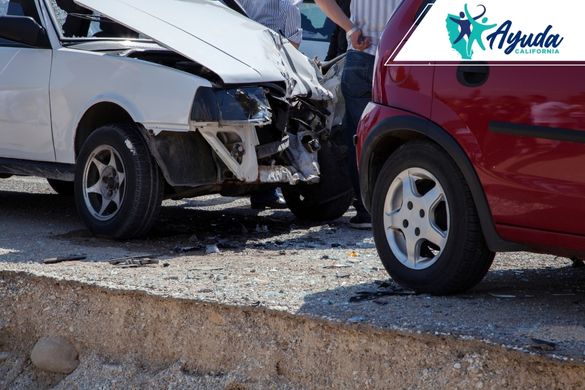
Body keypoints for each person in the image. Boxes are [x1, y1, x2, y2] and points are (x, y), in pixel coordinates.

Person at [314, 0, 402, 229]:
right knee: (404, 132)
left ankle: (366, 210)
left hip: (362, 54)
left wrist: (350, 29)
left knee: (359, 136)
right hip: (399, 58)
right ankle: (397, 204)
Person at [238, 0, 303, 209]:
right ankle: (265, 192)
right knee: (273, 133)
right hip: (271, 78)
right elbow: (293, 46)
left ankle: (255, 186)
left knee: (250, 131)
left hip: (238, 73)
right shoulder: (288, 6)